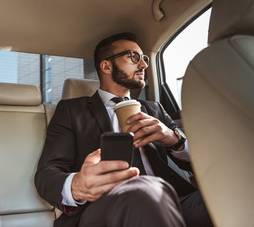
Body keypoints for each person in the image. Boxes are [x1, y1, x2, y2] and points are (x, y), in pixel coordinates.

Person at [35, 32, 213, 227]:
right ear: (106, 66)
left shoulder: (155, 109)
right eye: (133, 57)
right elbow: (47, 172)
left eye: (144, 58)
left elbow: (201, 164)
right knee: (144, 191)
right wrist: (78, 185)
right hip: (105, 207)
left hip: (171, 201)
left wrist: (173, 138)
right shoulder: (71, 110)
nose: (143, 65)